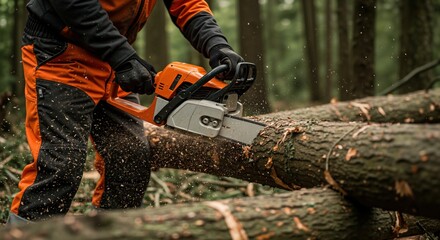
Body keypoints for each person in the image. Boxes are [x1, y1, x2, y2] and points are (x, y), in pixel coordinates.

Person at [8, 0, 244, 223]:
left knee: (129, 158)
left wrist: (216, 43)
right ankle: (25, 233)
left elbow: (187, 4)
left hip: (114, 55)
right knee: (60, 164)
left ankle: (111, 231)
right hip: (62, 53)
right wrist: (121, 56)